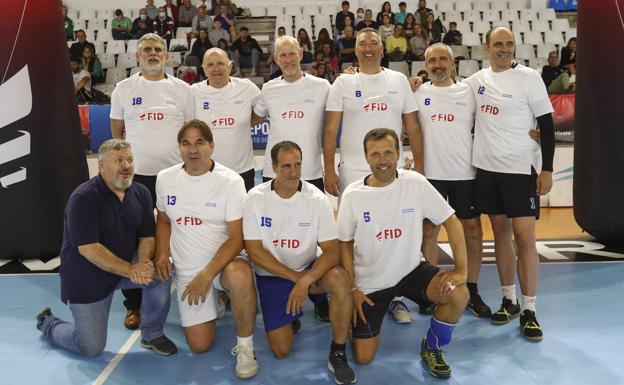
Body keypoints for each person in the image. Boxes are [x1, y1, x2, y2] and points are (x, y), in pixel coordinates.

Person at [337, 128, 469, 379]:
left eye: (388, 152)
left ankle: (433, 346)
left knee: (458, 293)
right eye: (375, 154)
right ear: (366, 158)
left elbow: (451, 220)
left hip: (411, 270)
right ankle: (367, 318)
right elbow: (344, 243)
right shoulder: (353, 195)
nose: (382, 160)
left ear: (398, 153)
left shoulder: (415, 183)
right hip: (371, 281)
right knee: (363, 358)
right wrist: (352, 289)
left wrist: (461, 269)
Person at [36, 139, 177, 357]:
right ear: (101, 166)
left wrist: (142, 263)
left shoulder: (141, 192)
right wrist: (131, 270)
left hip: (123, 266)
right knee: (90, 347)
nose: (126, 165)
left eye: (129, 160)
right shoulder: (83, 198)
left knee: (162, 271)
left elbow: (147, 236)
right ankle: (49, 324)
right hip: (87, 276)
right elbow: (89, 249)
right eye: (119, 160)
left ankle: (152, 334)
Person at [324, 28, 425, 322]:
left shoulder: (398, 81)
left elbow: (413, 127)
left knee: (394, 234)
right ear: (354, 50)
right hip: (352, 171)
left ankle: (395, 296)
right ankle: (351, 290)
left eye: (373, 43)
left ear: (383, 49)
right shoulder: (343, 82)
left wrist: (419, 166)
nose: (368, 48)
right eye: (362, 44)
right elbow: (331, 130)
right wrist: (329, 168)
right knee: (351, 238)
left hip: (391, 173)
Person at [463, 27, 555, 341]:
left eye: (509, 44)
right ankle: (509, 300)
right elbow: (445, 89)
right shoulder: (476, 82)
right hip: (487, 170)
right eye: (498, 44)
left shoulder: (530, 77)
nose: (504, 49)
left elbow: (546, 124)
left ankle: (530, 309)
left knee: (525, 238)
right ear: (486, 48)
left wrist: (548, 169)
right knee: (500, 233)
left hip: (521, 170)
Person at [242, 141, 356, 384]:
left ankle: (337, 352)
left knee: (340, 279)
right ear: (272, 168)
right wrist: (298, 280)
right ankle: (299, 307)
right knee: (281, 351)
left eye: (297, 165)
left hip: (309, 271)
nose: (293, 172)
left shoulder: (316, 198)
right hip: (273, 276)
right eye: (285, 166)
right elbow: (254, 251)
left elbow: (332, 251)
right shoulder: (255, 198)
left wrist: (306, 279)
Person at [154, 120, 259, 378]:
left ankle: (245, 348)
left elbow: (237, 239)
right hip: (189, 270)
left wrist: (207, 275)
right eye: (186, 143)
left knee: (240, 276)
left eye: (199, 142)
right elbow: (164, 220)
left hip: (222, 265)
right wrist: (161, 254)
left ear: (211, 146)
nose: (193, 149)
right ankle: (218, 298)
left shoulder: (231, 181)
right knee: (200, 345)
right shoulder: (165, 179)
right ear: (179, 148)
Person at [110, 33, 194, 329]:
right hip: (135, 179)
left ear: (168, 55)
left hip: (175, 177)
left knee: (182, 234)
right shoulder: (122, 89)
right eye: (147, 49)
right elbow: (117, 133)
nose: (153, 53)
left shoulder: (183, 90)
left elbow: (190, 135)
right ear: (137, 56)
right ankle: (134, 304)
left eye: (159, 49)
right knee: (134, 240)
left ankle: (194, 292)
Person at [414, 43, 491, 318]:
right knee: (428, 233)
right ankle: (429, 291)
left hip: (465, 174)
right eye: (432, 60)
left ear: (453, 63)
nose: (438, 64)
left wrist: (532, 130)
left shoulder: (469, 92)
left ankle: (471, 288)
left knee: (472, 230)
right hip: (431, 176)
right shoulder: (418, 92)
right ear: (425, 66)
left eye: (442, 59)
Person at [190, 48, 260, 191]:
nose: (216, 68)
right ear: (203, 69)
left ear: (230, 66)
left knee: (242, 213)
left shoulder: (246, 87)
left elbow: (263, 110)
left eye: (220, 63)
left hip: (242, 171)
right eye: (210, 65)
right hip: (206, 170)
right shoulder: (192, 92)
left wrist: (245, 122)